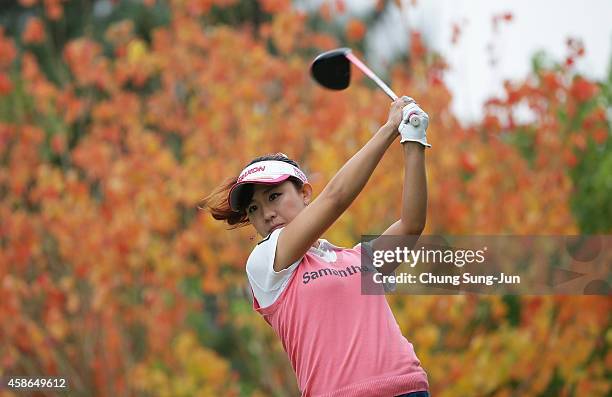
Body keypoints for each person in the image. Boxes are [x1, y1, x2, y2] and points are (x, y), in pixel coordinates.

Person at [201, 95, 431, 397]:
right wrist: (389, 128)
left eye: (274, 197)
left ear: (305, 193)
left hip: (408, 388)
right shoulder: (266, 263)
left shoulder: (357, 260)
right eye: (254, 209)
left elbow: (411, 225)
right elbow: (335, 198)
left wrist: (414, 141)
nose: (266, 213)